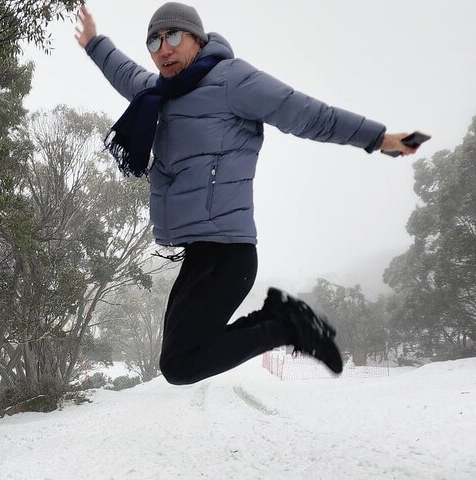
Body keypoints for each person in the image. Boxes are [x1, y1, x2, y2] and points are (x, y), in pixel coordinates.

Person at [75, 2, 421, 385]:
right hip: (202, 253)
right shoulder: (157, 93)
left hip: (227, 253)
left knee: (180, 364)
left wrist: (376, 138)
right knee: (176, 360)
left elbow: (305, 112)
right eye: (154, 42)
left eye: (173, 36)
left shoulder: (232, 81)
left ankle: (287, 326)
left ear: (197, 39)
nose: (164, 49)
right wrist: (94, 42)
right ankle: (280, 318)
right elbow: (123, 72)